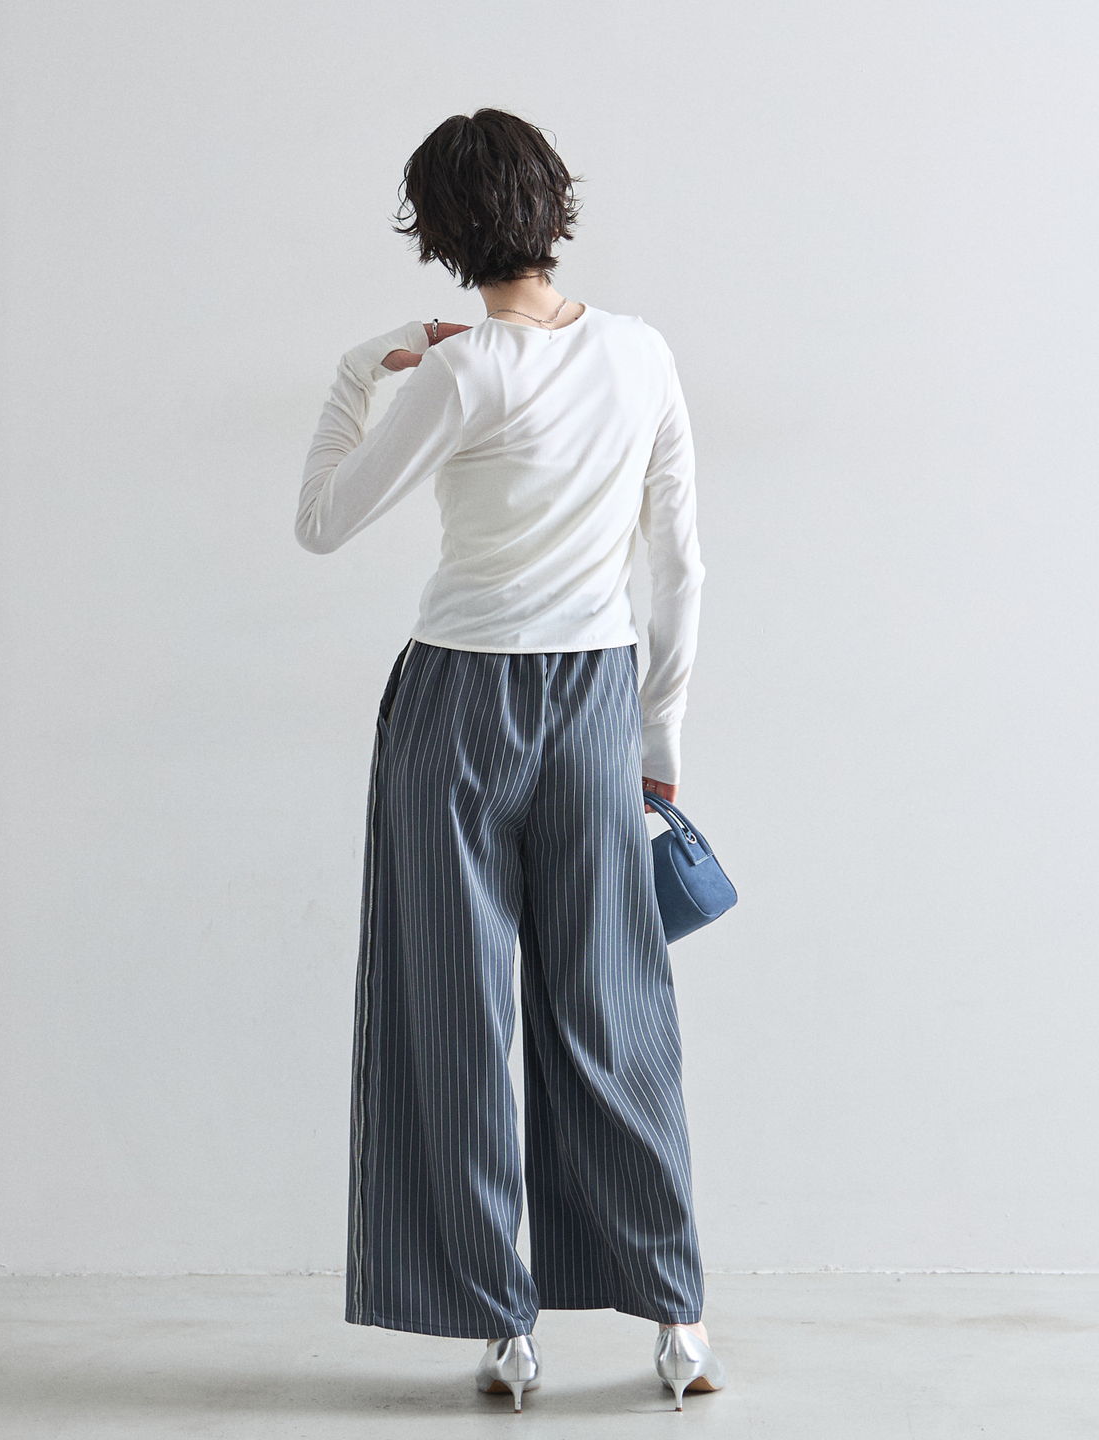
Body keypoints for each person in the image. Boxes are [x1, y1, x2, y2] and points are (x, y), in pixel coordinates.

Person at [294, 107, 726, 1413]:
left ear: (439, 233)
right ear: (554, 208)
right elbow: (679, 565)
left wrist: (357, 371)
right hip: (596, 700)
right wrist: (659, 745)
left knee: (455, 1014)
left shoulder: (459, 373)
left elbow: (321, 522)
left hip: (455, 706)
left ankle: (506, 1326)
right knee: (612, 1006)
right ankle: (678, 1321)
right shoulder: (642, 352)